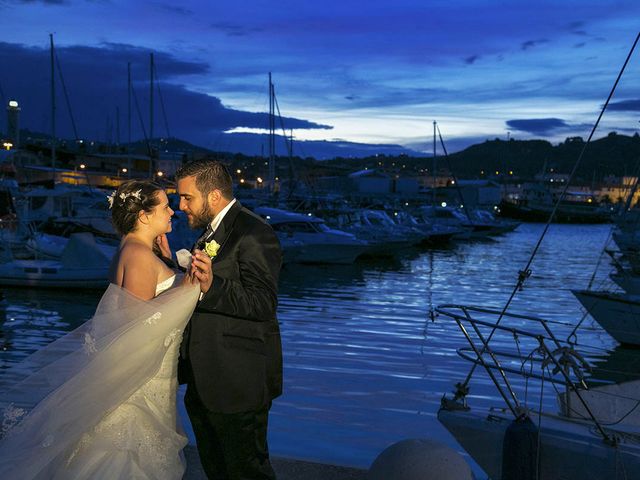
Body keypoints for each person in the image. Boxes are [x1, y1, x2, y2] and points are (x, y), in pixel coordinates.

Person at [0, 180, 212, 479]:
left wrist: (168, 266)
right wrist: (191, 286)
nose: (172, 213)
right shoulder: (138, 256)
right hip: (139, 378)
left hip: (153, 373)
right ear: (144, 215)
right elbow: (138, 327)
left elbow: (145, 303)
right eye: (165, 207)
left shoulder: (134, 248)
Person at [176, 159, 283, 479]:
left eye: (187, 197)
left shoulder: (254, 232)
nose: (181, 206)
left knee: (247, 471)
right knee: (217, 469)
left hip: (239, 381)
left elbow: (264, 303)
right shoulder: (209, 233)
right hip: (204, 379)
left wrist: (213, 286)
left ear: (213, 196)